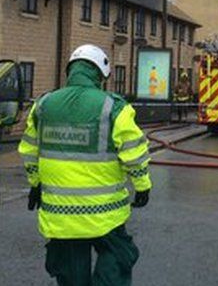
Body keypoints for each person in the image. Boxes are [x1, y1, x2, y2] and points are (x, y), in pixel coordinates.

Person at [18, 44, 151, 286]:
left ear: (70, 71)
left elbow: (29, 151)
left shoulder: (43, 105)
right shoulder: (113, 107)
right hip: (105, 215)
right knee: (119, 256)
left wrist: (35, 184)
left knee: (70, 274)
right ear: (100, 75)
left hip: (60, 215)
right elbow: (134, 151)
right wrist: (142, 185)